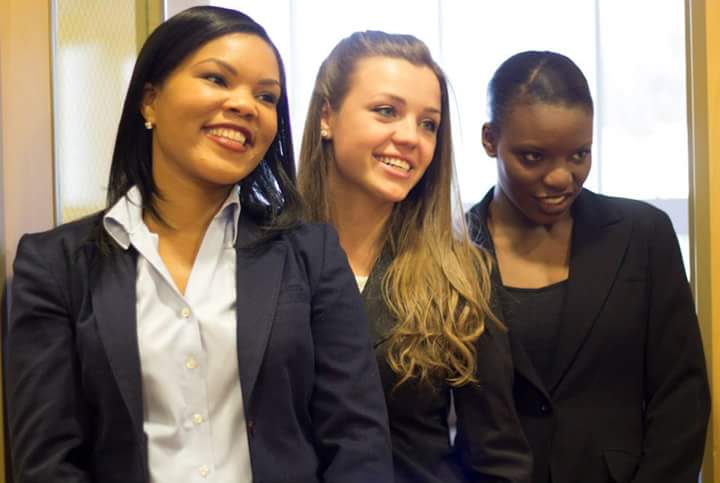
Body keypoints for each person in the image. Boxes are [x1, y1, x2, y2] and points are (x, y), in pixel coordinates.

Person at [6, 7, 393, 483]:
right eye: (216, 79)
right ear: (149, 101)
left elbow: (357, 440)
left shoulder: (311, 254)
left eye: (266, 96)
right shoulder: (54, 266)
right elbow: (47, 462)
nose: (245, 105)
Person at [298, 30, 532, 483]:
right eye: (387, 111)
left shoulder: (461, 274)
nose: (410, 137)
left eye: (428, 123)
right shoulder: (263, 257)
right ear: (327, 115)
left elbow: (497, 457)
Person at [466, 50, 710, 483]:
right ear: (490, 140)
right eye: (533, 157)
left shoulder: (642, 236)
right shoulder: (449, 252)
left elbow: (681, 397)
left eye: (579, 154)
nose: (561, 177)